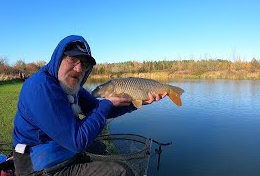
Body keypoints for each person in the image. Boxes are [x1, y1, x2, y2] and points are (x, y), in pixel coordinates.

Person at [12, 35, 167, 176]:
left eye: (84, 64)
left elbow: (98, 108)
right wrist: (107, 103)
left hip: (62, 151)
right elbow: (77, 142)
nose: (79, 69)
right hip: (38, 166)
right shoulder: (40, 87)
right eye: (72, 60)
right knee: (121, 172)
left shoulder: (71, 86)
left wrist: (135, 102)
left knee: (99, 148)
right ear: (58, 59)